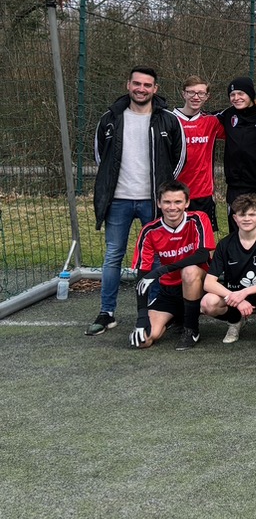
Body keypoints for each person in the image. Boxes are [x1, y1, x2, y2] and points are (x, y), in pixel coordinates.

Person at [88, 66, 186, 336]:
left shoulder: (168, 119)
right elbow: (100, 157)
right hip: (118, 200)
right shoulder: (109, 118)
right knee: (113, 257)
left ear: (155, 89)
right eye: (137, 84)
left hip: (152, 202)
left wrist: (164, 192)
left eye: (147, 85)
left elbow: (179, 158)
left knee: (156, 259)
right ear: (128, 85)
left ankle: (155, 308)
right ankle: (107, 312)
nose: (141, 89)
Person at [128, 181, 214, 351]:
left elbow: (203, 254)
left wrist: (164, 269)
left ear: (187, 203)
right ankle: (175, 316)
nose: (172, 207)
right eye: (167, 202)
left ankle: (191, 329)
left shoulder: (198, 219)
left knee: (189, 272)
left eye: (178, 202)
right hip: (169, 292)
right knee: (141, 340)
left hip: (201, 285)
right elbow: (143, 276)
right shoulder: (149, 231)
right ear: (159, 203)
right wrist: (141, 317)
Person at [199, 193, 256, 344]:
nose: (247, 219)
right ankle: (234, 321)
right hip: (232, 297)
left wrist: (245, 292)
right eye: (242, 214)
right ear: (235, 218)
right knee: (207, 303)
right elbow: (208, 283)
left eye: (252, 214)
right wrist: (237, 299)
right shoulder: (225, 244)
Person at [172, 75, 224, 230]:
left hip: (203, 193)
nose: (196, 97)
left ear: (207, 96)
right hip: (175, 193)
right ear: (183, 93)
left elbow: (239, 131)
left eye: (201, 93)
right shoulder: (169, 120)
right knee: (176, 239)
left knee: (204, 242)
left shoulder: (211, 122)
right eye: (191, 92)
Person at [216, 77, 256, 218]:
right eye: (232, 95)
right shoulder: (227, 114)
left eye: (241, 94)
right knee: (236, 224)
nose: (236, 98)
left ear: (250, 94)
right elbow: (201, 116)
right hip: (234, 185)